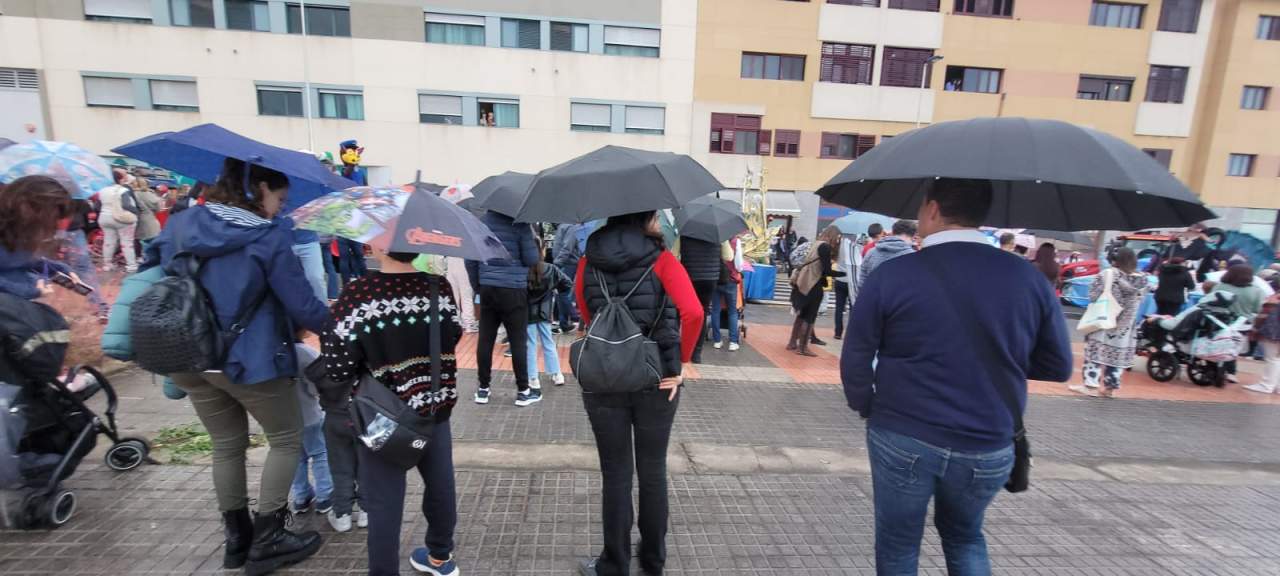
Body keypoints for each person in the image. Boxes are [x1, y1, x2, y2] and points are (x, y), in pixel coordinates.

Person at [843, 178, 1073, 576]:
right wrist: (1002, 359)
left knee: (898, 544)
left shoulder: (894, 274)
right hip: (988, 439)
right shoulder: (1028, 278)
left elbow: (856, 356)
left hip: (903, 431)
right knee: (965, 537)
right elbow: (1058, 365)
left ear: (932, 209)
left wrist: (867, 405)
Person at [143, 159, 330, 575]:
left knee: (226, 445)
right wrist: (341, 327)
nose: (281, 208)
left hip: (189, 355)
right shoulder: (267, 236)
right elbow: (303, 306)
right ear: (259, 189)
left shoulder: (181, 223)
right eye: (280, 198)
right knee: (286, 439)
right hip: (251, 360)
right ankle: (269, 538)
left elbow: (151, 271)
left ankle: (237, 540)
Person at [573, 210, 702, 576]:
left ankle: (614, 564)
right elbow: (693, 312)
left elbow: (584, 309)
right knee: (652, 471)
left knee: (615, 473)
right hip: (656, 377)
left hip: (603, 377)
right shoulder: (662, 259)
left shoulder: (588, 260)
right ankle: (652, 560)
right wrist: (681, 363)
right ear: (645, 217)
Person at [323, 248, 463, 576]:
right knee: (440, 482)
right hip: (433, 405)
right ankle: (439, 557)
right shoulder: (438, 287)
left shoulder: (358, 294)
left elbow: (337, 365)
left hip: (381, 414)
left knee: (384, 501)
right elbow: (453, 333)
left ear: (381, 246)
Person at [0, 176, 74, 390]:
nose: (53, 227)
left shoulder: (17, 232)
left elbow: (19, 260)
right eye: (52, 218)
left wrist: (60, 270)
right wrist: (31, 290)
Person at [467, 211, 541, 407]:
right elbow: (532, 259)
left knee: (485, 339)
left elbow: (470, 260)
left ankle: (483, 389)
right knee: (518, 341)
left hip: (488, 287)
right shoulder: (521, 225)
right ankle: (523, 391)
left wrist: (478, 286)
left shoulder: (479, 224)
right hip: (514, 288)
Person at [1072, 248, 1147, 398]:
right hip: (1125, 326)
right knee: (1116, 356)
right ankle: (1109, 389)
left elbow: (1093, 295)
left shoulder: (1108, 274)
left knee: (1095, 352)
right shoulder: (1142, 280)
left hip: (1104, 319)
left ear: (1115, 259)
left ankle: (1090, 386)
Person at [289, 343, 333, 518]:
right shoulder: (304, 352)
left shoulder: (267, 349)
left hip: (281, 419)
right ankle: (325, 496)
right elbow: (316, 387)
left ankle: (301, 497)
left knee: (294, 457)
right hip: (308, 413)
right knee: (320, 452)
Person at [1207, 264, 1265, 384]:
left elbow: (1209, 301)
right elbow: (1258, 309)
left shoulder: (1220, 286)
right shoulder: (1256, 291)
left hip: (1219, 320)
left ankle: (1213, 367)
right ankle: (1231, 372)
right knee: (1233, 348)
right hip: (1242, 324)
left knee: (1216, 344)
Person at [789, 227, 841, 357]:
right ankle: (803, 347)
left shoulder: (816, 243)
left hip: (804, 283)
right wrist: (844, 274)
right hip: (814, 285)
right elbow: (827, 271)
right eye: (838, 237)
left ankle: (792, 342)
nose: (838, 240)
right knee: (810, 317)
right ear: (833, 236)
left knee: (802, 315)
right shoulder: (825, 247)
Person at [527, 241, 572, 387]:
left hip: (526, 312)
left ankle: (533, 378)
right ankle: (557, 374)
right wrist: (555, 290)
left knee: (530, 344)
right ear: (542, 251)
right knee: (548, 342)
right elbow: (567, 283)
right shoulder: (551, 269)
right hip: (545, 310)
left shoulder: (522, 269)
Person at [680, 237, 722, 364]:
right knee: (703, 313)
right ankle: (697, 353)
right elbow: (729, 256)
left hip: (690, 276)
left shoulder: (685, 233)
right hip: (710, 279)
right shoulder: (718, 234)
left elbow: (674, 254)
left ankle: (683, 350)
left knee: (685, 312)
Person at [97, 169, 139, 274]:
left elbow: (96, 206)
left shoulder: (102, 190)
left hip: (104, 218)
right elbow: (127, 205)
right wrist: (136, 211)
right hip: (121, 219)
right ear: (120, 179)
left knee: (108, 242)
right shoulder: (123, 190)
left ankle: (107, 264)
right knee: (127, 243)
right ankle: (131, 266)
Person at [859, 220, 917, 290]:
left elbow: (862, 280)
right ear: (913, 236)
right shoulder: (914, 258)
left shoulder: (871, 252)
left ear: (893, 232)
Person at [1246, 281, 1280, 394]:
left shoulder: (1274, 299)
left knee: (1272, 358)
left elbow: (1263, 316)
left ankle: (1266, 384)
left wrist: (1255, 329)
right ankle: (1277, 385)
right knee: (1277, 359)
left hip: (1272, 332)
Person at [709, 239, 742, 351]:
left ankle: (717, 341)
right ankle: (733, 342)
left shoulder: (713, 239)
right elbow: (739, 265)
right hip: (730, 280)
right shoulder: (735, 241)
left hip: (715, 278)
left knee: (715, 310)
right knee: (732, 311)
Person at [552, 223, 584, 333]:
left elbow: (567, 247)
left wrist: (557, 263)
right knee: (561, 293)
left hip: (566, 263)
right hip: (566, 262)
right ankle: (564, 323)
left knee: (562, 293)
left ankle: (573, 316)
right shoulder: (567, 225)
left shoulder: (570, 226)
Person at [832, 229, 857, 341]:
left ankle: (838, 332)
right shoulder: (856, 247)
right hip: (852, 280)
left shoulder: (838, 246)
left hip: (839, 279)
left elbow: (834, 259)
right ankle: (851, 332)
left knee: (839, 307)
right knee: (853, 307)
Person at [131, 178, 164, 248]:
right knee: (154, 245)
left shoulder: (133, 194)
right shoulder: (151, 194)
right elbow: (158, 209)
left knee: (142, 245)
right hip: (152, 222)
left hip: (139, 223)